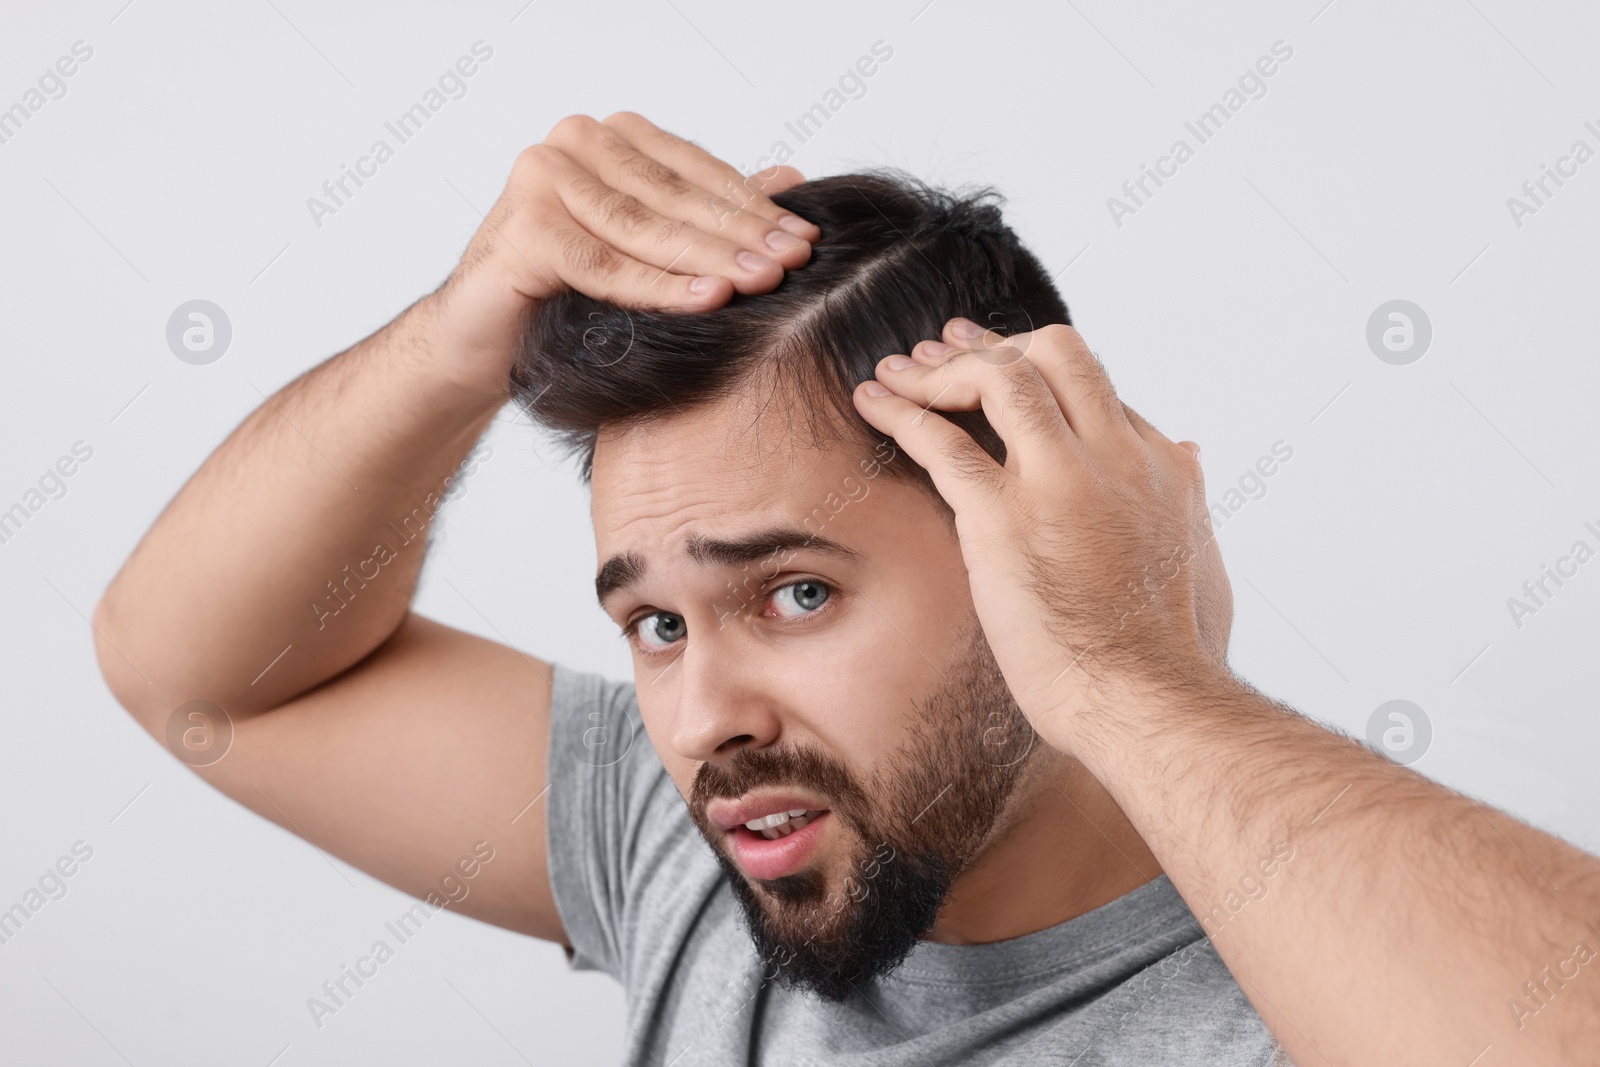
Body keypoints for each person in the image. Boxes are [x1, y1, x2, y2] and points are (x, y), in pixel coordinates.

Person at [93, 113, 1600, 1066]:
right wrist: (455, 334)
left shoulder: (1304, 1001)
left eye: (796, 595)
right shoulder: (697, 849)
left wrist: (1140, 677)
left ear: (1036, 538)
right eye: (656, 623)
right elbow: (202, 677)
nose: (703, 717)